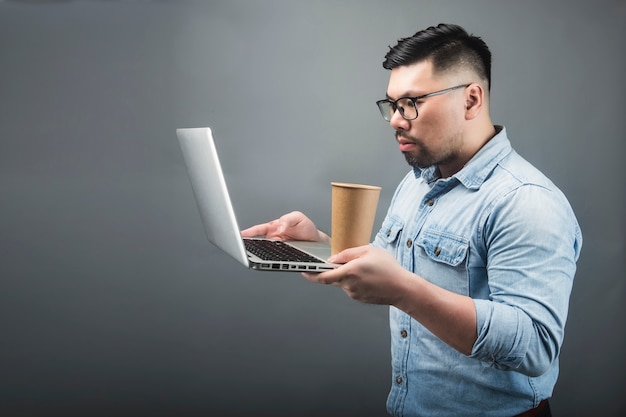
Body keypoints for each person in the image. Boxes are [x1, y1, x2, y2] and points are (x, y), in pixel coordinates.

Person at [242, 23, 582, 417]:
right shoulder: (418, 182)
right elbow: (388, 267)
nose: (396, 120)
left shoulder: (527, 201)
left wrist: (407, 292)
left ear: (471, 99)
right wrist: (317, 243)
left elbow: (536, 346)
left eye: (411, 102)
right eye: (392, 105)